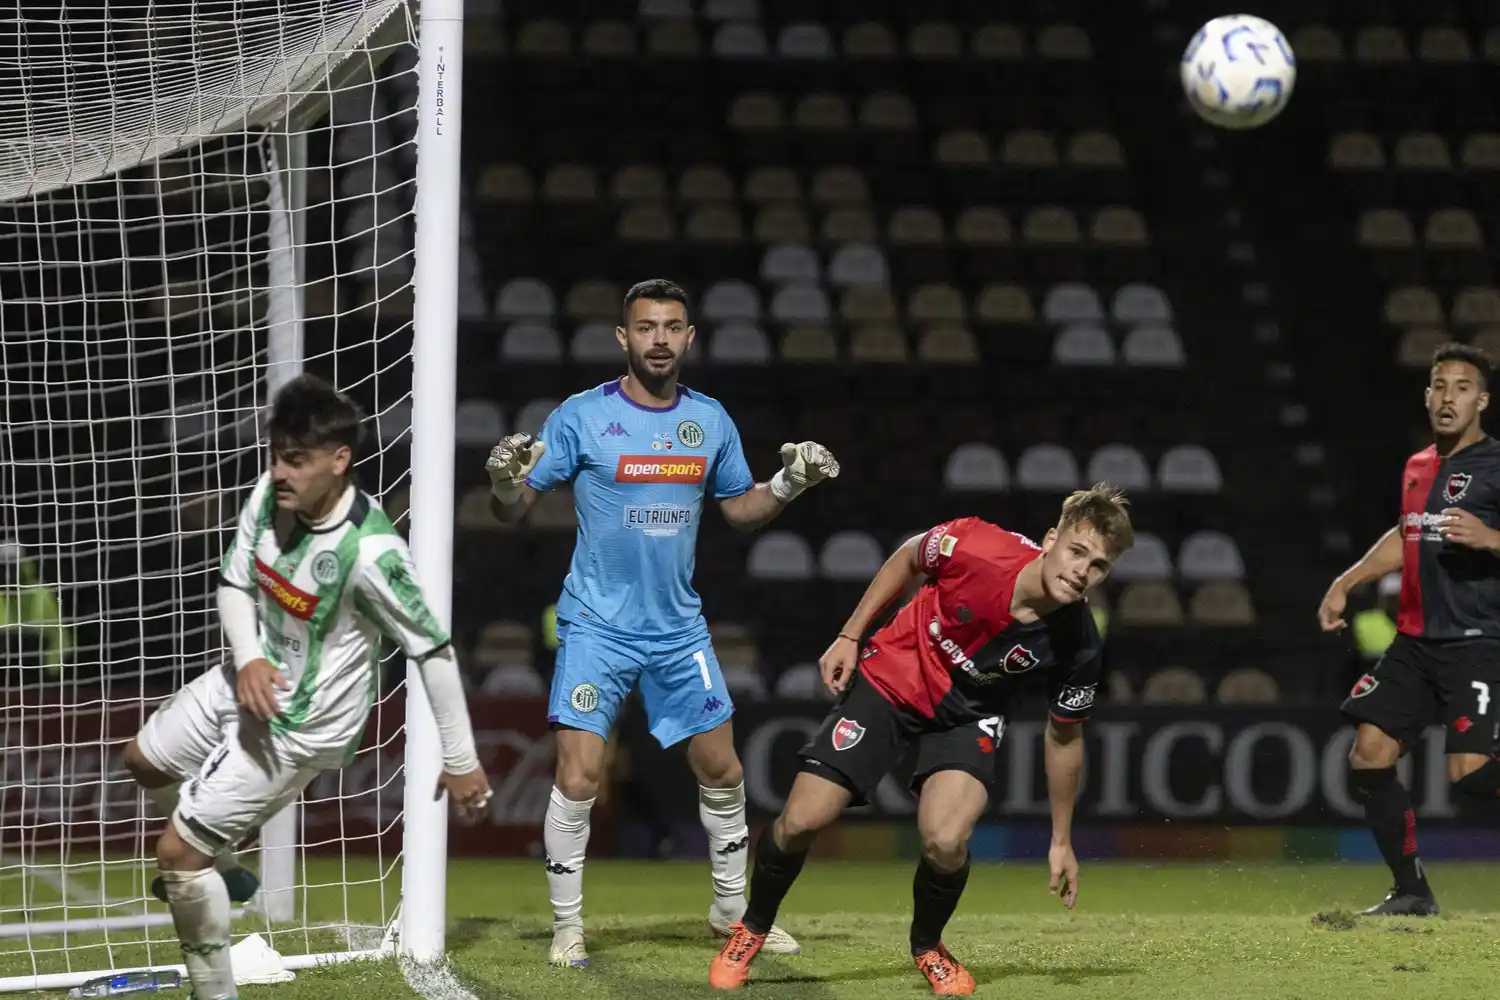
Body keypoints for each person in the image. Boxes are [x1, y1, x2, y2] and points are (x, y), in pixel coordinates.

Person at [485, 278, 840, 968]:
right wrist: (503, 485)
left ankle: (731, 910)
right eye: (645, 327)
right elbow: (515, 506)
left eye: (672, 327)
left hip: (678, 629)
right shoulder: (581, 416)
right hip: (594, 625)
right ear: (624, 338)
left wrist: (792, 482)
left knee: (723, 767)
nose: (658, 339)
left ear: (689, 338)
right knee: (580, 775)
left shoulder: (709, 421)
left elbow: (739, 510)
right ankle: (567, 925)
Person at [120, 374, 492, 1000]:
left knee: (178, 857)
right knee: (141, 761)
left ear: (339, 459)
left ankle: (214, 992)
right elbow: (236, 583)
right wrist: (249, 659)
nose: (279, 471)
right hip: (250, 676)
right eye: (276, 454)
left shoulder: (373, 555)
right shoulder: (272, 494)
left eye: (296, 459)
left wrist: (460, 759)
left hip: (304, 727)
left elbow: (434, 650)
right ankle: (230, 866)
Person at [709, 486, 1134, 994]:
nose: (1082, 571)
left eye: (1100, 566)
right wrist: (850, 634)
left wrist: (1062, 839)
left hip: (969, 714)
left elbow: (1065, 737)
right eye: (1077, 551)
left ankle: (928, 945)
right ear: (1050, 540)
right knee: (801, 820)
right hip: (895, 678)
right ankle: (751, 928)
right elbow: (908, 558)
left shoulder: (1081, 642)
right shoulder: (977, 545)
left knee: (946, 840)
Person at [1318, 342, 1500, 917]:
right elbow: (1407, 532)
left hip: (1478, 643)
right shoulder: (1418, 467)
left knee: (1470, 777)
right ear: (1426, 397)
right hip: (1416, 643)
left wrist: (1492, 540)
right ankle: (1412, 891)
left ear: (1483, 400)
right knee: (1369, 755)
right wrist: (1345, 581)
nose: (1449, 397)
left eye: (1462, 387)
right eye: (1439, 386)